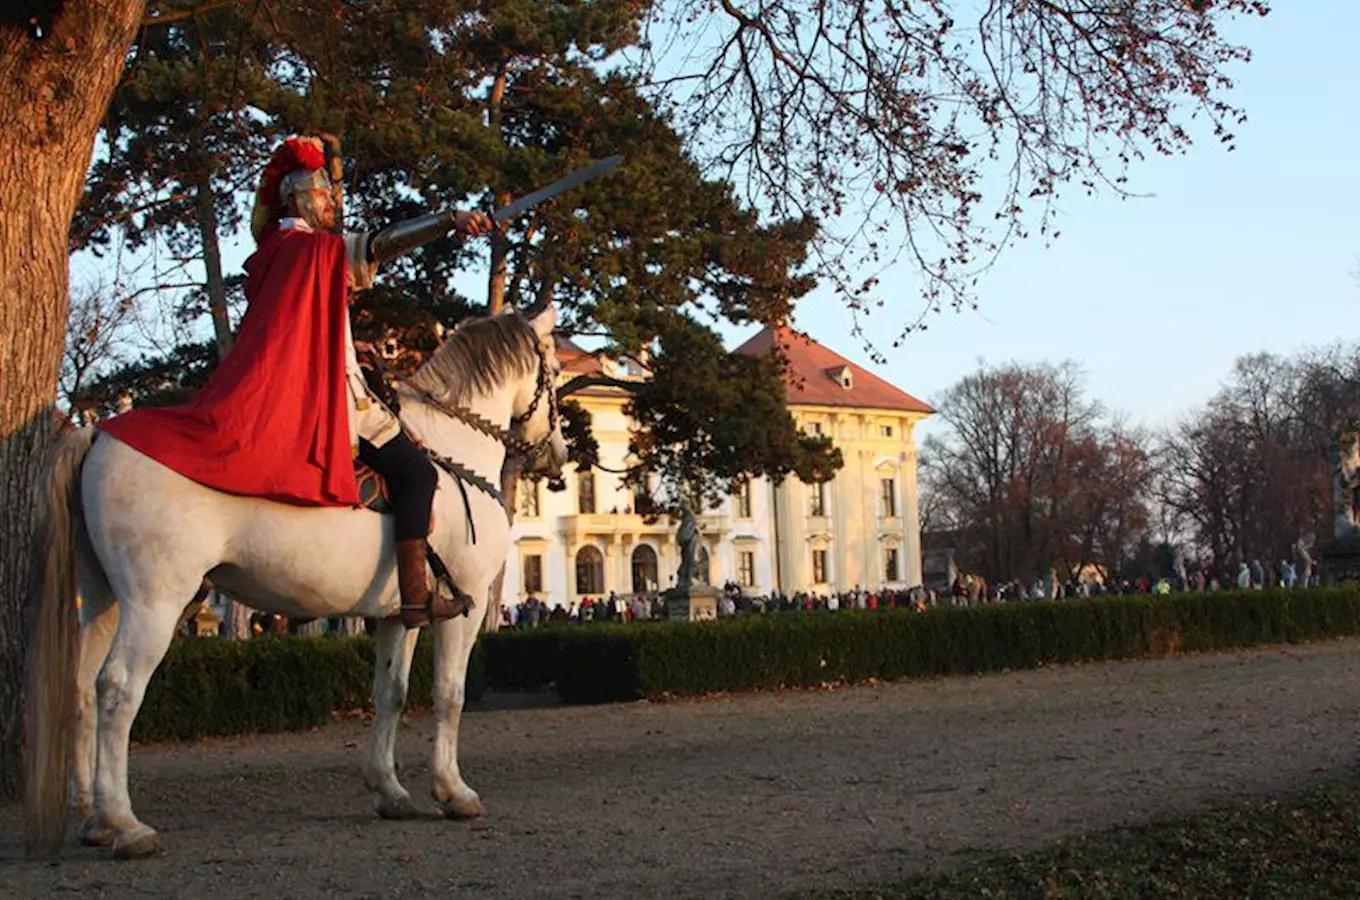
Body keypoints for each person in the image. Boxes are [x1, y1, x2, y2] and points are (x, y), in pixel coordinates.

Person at [99, 135, 493, 627]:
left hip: (306, 386)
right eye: (323, 191)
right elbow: (380, 245)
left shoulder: (273, 256)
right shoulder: (308, 250)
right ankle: (415, 597)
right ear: (298, 196)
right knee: (418, 474)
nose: (330, 200)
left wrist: (353, 347)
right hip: (333, 403)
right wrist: (449, 221)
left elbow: (299, 329)